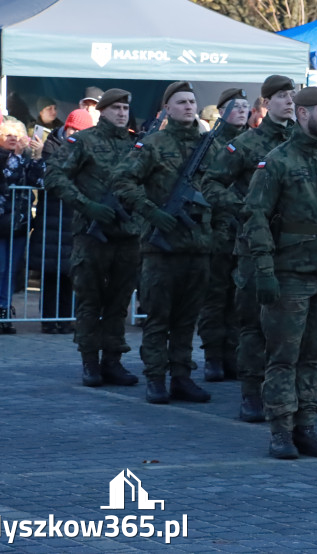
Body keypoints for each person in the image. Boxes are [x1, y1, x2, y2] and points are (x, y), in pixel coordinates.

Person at [243, 85, 317, 459]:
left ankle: (306, 427)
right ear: (303, 114)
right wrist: (263, 269)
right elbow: (256, 216)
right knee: (284, 355)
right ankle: (281, 429)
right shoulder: (277, 161)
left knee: (315, 356)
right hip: (289, 273)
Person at [113, 81, 214, 405]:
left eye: (192, 102)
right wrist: (152, 213)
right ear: (167, 109)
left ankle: (182, 377)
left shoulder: (206, 145)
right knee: (158, 318)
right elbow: (123, 181)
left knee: (186, 321)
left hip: (196, 247)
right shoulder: (153, 144)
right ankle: (156, 377)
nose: (188, 107)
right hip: (161, 249)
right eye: (181, 102)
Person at [203, 75, 297, 421]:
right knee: (253, 323)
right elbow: (211, 182)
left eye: (292, 96)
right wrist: (242, 208)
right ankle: (251, 393)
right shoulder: (246, 144)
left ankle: (285, 393)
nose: (289, 101)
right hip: (255, 246)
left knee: (290, 326)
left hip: (295, 248)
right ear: (266, 103)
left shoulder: (303, 142)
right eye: (282, 96)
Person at [45, 89, 142, 387]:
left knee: (118, 303)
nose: (122, 113)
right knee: (90, 301)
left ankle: (112, 360)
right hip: (92, 236)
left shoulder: (135, 145)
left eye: (126, 108)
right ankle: (90, 361)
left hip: (126, 237)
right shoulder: (84, 141)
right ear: (103, 111)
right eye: (116, 108)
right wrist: (87, 205)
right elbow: (54, 175)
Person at [194, 89, 249, 382]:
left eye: (245, 105)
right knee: (215, 297)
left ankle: (234, 353)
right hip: (217, 230)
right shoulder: (210, 144)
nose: (241, 110)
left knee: (239, 297)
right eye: (234, 106)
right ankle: (213, 356)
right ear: (221, 111)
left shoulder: (253, 142)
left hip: (244, 231)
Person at [31, 108, 95, 333]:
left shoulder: (88, 150)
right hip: (51, 220)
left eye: (80, 130)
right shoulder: (51, 147)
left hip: (73, 221)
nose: (74, 133)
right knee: (50, 275)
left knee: (70, 274)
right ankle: (49, 320)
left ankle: (66, 319)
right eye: (72, 127)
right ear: (66, 126)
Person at [0, 117, 43, 334]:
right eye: (8, 135)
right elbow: (2, 180)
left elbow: (38, 181)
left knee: (11, 269)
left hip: (19, 223)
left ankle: (5, 312)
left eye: (17, 136)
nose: (13, 139)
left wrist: (37, 156)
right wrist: (14, 157)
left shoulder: (25, 159)